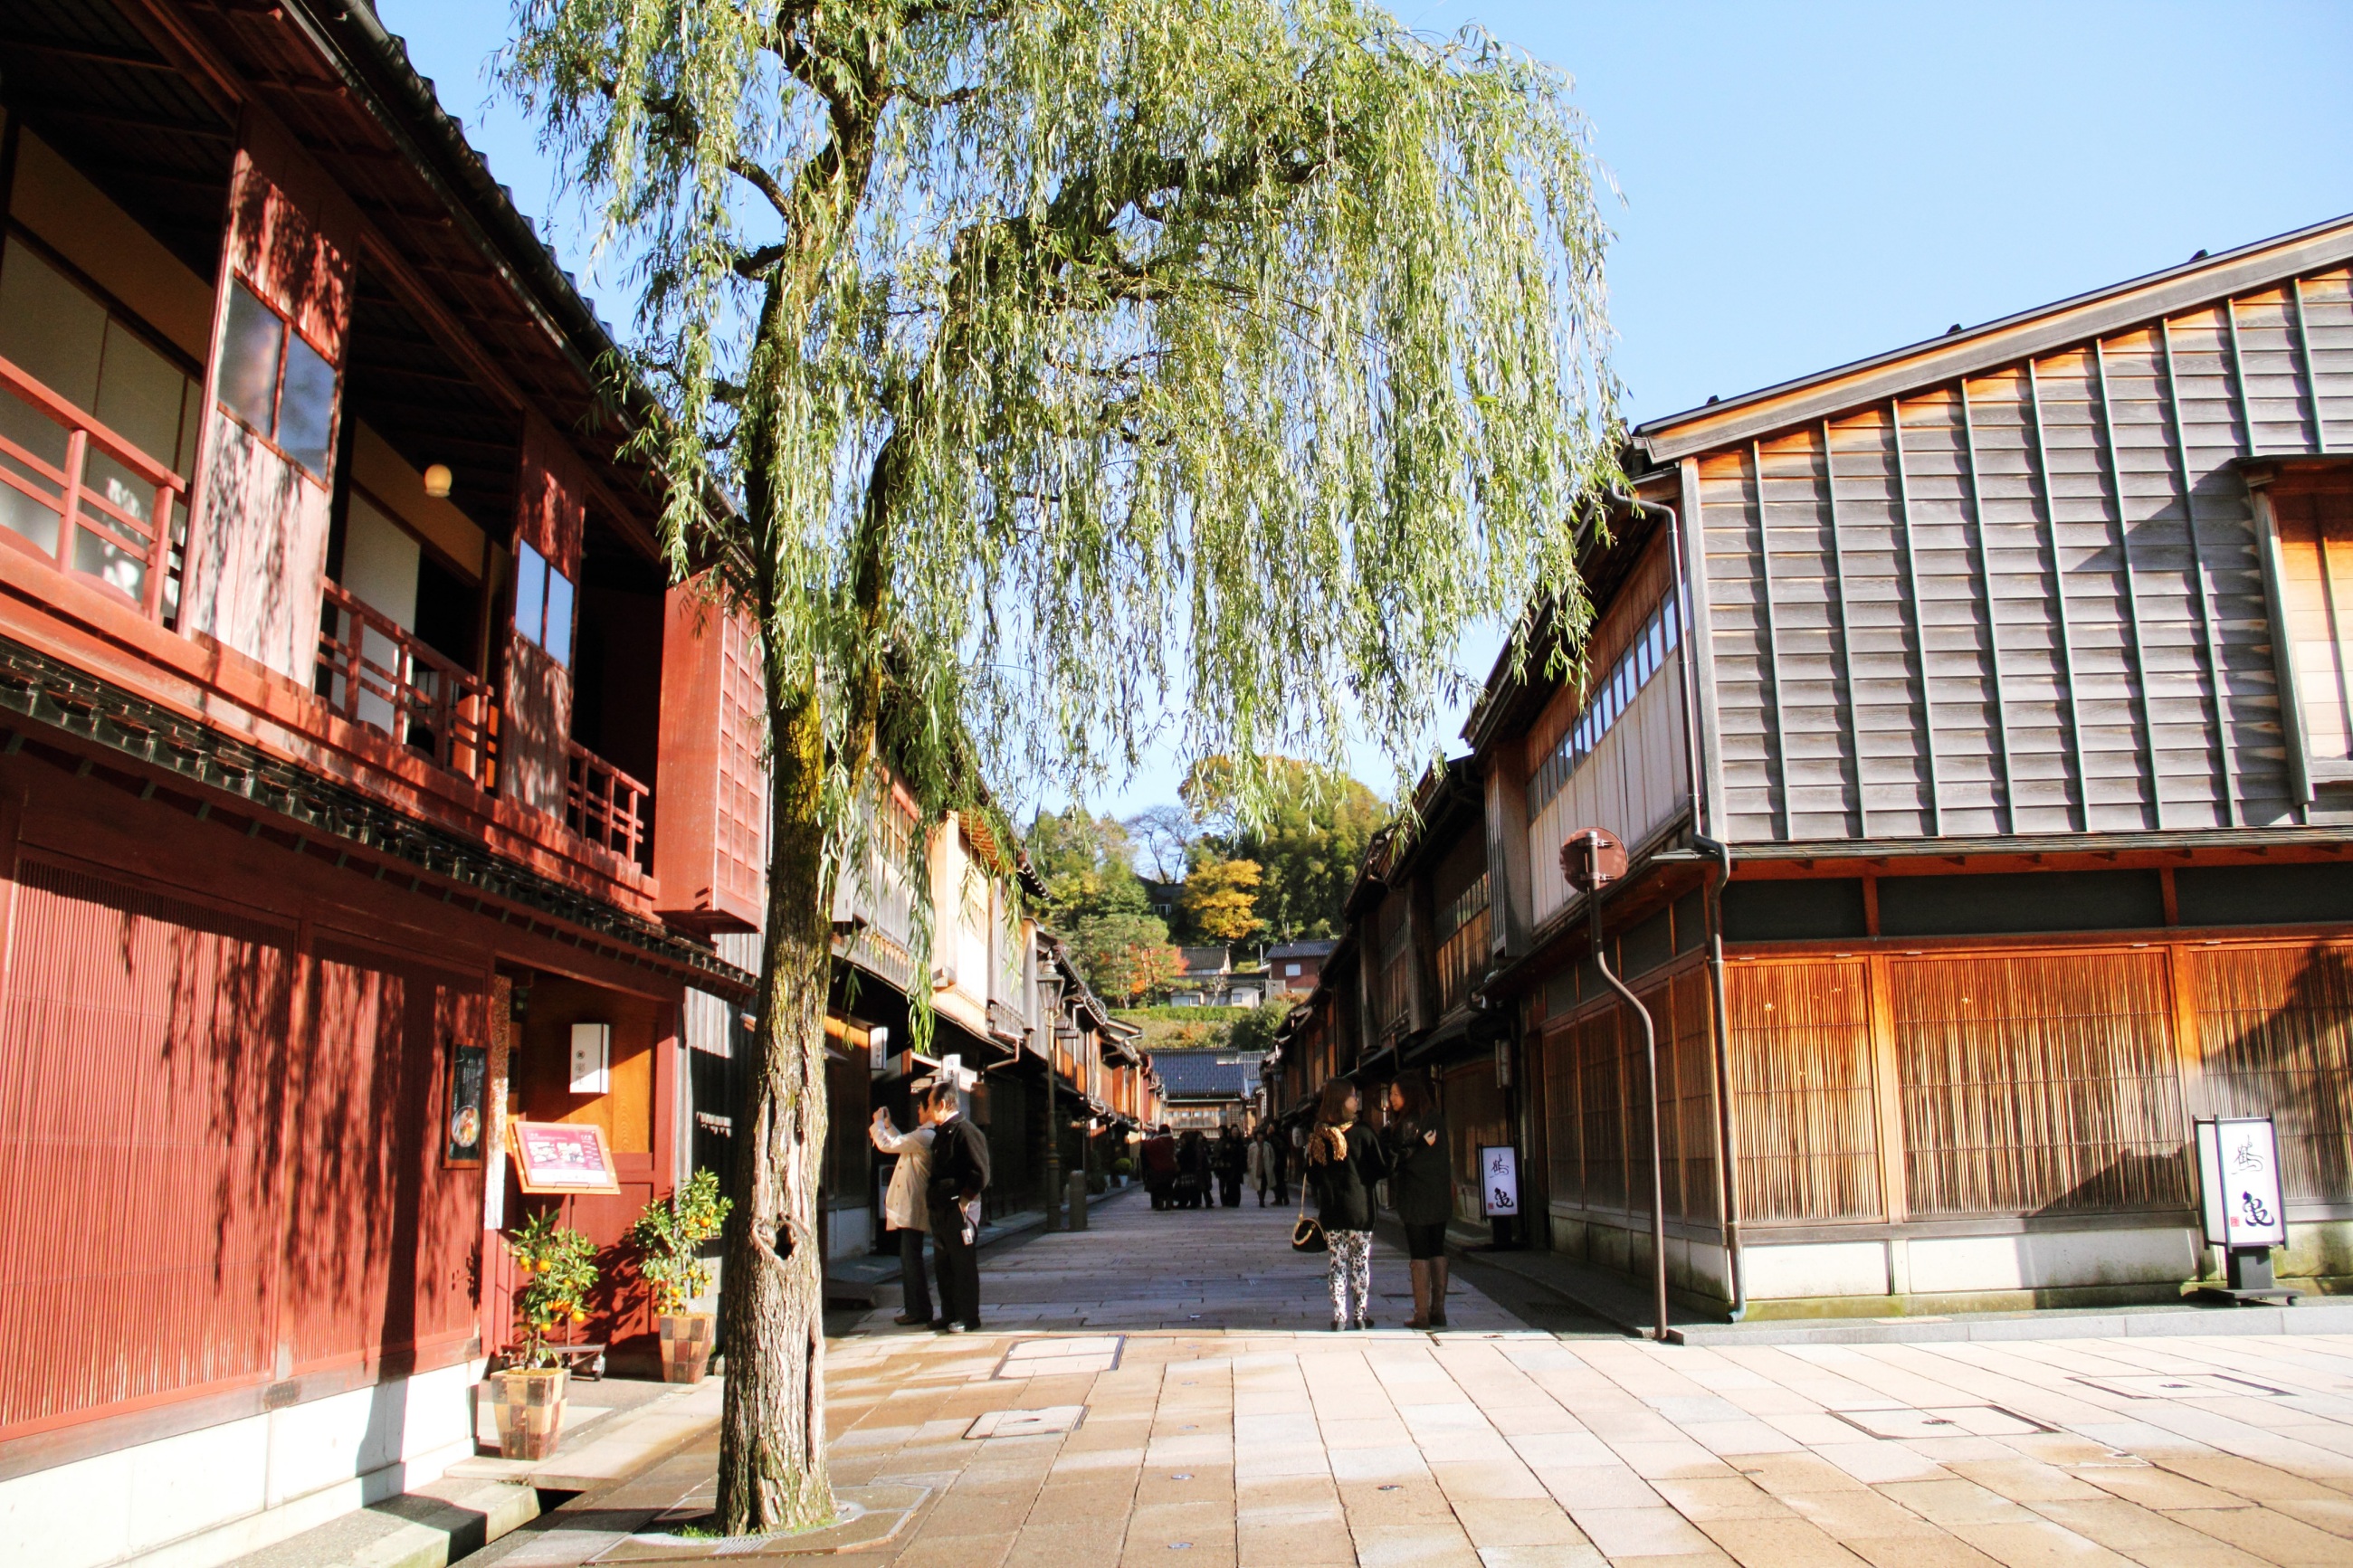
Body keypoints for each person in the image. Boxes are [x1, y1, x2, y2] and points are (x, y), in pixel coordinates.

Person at [1307, 1079, 1391, 1331]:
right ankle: (1360, 1315)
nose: (1356, 1100)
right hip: (1360, 1209)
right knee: (1360, 1262)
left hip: (1332, 1209)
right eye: (1353, 1096)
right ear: (1342, 1101)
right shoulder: (1363, 1133)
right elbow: (1381, 1168)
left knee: (1337, 1263)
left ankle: (1339, 1316)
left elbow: (1312, 1176)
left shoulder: (1319, 1137)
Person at [1382, 1072, 1453, 1330]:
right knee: (1437, 1249)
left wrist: (1408, 1152)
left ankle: (1422, 1314)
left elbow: (1396, 1159)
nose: (1391, 1099)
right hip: (1438, 1195)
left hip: (1416, 1196)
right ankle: (1438, 1311)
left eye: (1396, 1094)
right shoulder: (1434, 1119)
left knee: (1420, 1251)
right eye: (1391, 1094)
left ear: (1409, 1094)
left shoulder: (1406, 1123)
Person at [924, 1083, 992, 1333]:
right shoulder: (943, 1132)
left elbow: (981, 1173)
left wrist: (965, 1200)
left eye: (930, 1104)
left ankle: (968, 1316)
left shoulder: (965, 1131)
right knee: (943, 1265)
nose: (929, 1111)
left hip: (960, 1208)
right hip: (941, 1208)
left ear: (942, 1104)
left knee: (962, 1264)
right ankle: (949, 1313)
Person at [870, 1085, 937, 1327]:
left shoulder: (926, 1135)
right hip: (913, 1204)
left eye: (920, 1106)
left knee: (911, 1259)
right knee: (910, 1258)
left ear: (930, 1108)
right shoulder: (925, 1135)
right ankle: (916, 1308)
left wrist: (878, 1125)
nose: (918, 1110)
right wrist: (887, 1126)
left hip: (914, 1204)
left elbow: (890, 1145)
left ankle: (918, 1309)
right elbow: (901, 1141)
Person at [1142, 1125, 1178, 1210]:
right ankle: (1169, 1204)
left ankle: (1160, 1204)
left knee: (1159, 1187)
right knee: (1169, 1186)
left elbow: (1148, 1147)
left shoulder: (1157, 1141)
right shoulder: (1172, 1141)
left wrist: (1149, 1138)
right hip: (1170, 1167)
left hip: (1158, 1168)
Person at [1213, 1125, 1246, 1207]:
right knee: (1230, 1184)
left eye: (1236, 1131)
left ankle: (1235, 1201)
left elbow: (1243, 1155)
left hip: (1237, 1167)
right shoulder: (1228, 1142)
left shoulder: (1240, 1143)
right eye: (1233, 1131)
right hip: (1229, 1168)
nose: (1235, 1133)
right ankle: (1229, 1200)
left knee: (1236, 1185)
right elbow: (1223, 1153)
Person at [1176, 1129, 1209, 1210]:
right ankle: (1189, 1202)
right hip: (1188, 1171)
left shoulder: (1189, 1148)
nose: (1181, 1141)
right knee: (1188, 1188)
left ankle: (1188, 1202)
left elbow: (1185, 1158)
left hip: (1188, 1171)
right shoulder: (1190, 1147)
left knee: (1188, 1188)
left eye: (1183, 1139)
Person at [1248, 1124, 1277, 1207]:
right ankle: (1260, 1199)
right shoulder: (1252, 1146)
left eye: (1262, 1135)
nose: (1260, 1137)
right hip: (1256, 1168)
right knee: (1258, 1185)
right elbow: (1249, 1157)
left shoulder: (1267, 1145)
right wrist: (1250, 1166)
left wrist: (1271, 1165)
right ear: (1256, 1136)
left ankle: (1262, 1200)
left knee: (1263, 1184)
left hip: (1266, 1168)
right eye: (1259, 1135)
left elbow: (1272, 1156)